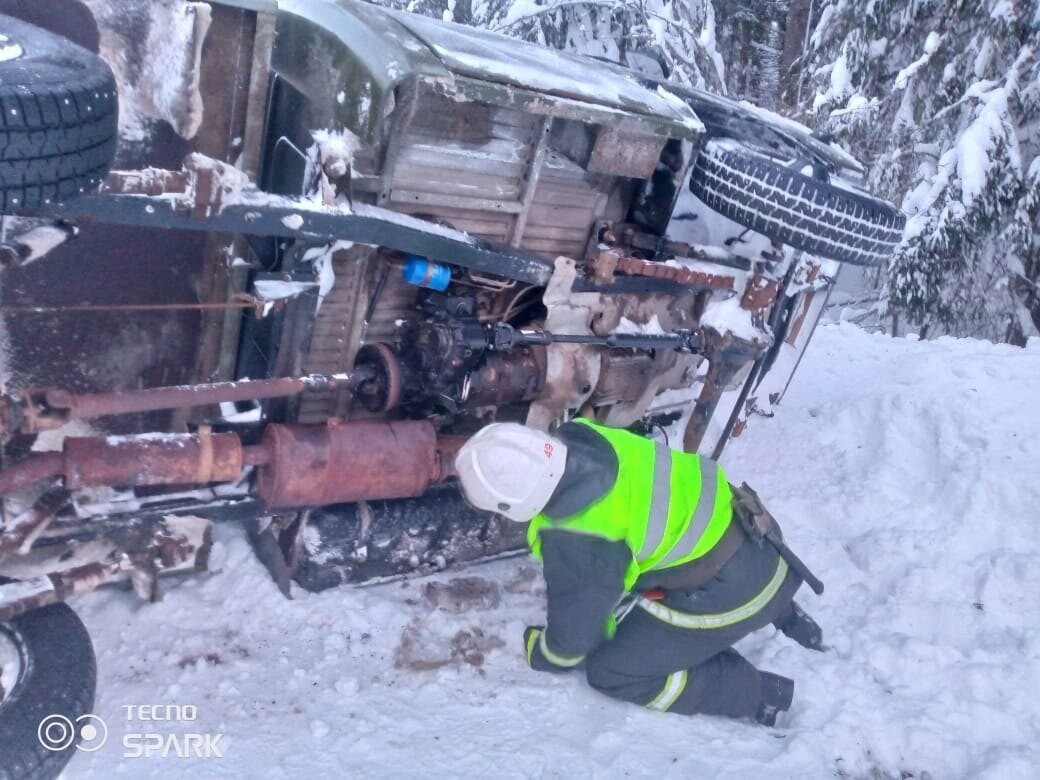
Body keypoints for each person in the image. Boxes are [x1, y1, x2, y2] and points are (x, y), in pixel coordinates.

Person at [454, 417, 823, 726]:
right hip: (761, 538)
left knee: (612, 672)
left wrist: (541, 651)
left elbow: (575, 644)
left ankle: (757, 694)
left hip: (737, 591)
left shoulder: (580, 534)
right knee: (684, 561)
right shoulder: (586, 436)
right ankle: (788, 615)